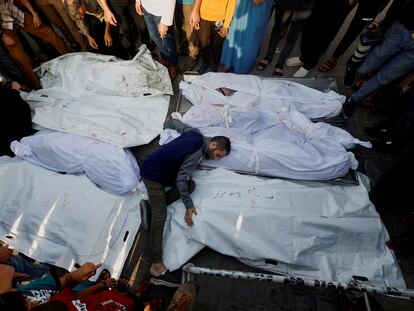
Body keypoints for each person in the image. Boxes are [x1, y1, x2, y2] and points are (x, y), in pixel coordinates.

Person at [139, 118, 231, 287]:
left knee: (191, 184)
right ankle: (156, 266)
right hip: (153, 175)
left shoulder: (195, 134)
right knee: (161, 218)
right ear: (212, 145)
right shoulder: (196, 154)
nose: (215, 159)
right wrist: (189, 206)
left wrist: (168, 122)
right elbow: (181, 180)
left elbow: (179, 126)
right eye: (217, 155)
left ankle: (151, 207)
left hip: (158, 166)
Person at [342, 0, 414, 119]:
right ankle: (352, 67)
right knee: (365, 68)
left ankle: (353, 100)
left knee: (384, 78)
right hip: (403, 29)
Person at [0, 0, 69, 88]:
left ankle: (69, 55)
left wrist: (34, 14)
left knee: (49, 33)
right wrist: (3, 36)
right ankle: (36, 85)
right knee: (20, 59)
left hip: (17, 14)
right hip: (4, 27)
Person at [256, 0, 314, 76]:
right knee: (277, 29)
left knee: (293, 34)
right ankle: (269, 56)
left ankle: (280, 63)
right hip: (284, 3)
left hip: (305, 5)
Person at [219, 0, 273, 74]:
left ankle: (241, 68)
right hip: (241, 6)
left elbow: (257, 1)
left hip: (257, 9)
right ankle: (228, 62)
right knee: (233, 32)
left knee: (249, 38)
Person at [64, 0, 128, 59]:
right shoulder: (71, 8)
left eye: (80, 14)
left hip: (108, 11)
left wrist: (107, 32)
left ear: (81, 4)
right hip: (94, 16)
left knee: (113, 38)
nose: (82, 16)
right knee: (92, 44)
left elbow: (107, 11)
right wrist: (88, 36)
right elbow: (79, 21)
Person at [135, 0, 179, 79]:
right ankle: (165, 58)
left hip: (162, 10)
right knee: (154, 36)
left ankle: (173, 64)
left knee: (167, 40)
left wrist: (165, 21)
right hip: (146, 8)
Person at [190, 0, 236, 72]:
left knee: (217, 45)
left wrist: (226, 25)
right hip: (203, 16)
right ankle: (205, 62)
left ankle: (216, 64)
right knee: (204, 42)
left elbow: (232, 3)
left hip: (220, 18)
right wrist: (196, 12)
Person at [175, 0, 200, 71]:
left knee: (191, 32)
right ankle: (184, 50)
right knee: (181, 28)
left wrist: (196, 9)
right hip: (176, 3)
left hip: (189, 3)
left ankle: (193, 56)